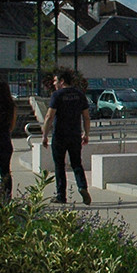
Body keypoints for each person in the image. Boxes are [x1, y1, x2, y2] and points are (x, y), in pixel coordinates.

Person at [41, 69, 90, 205]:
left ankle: (61, 195)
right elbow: (86, 117)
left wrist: (44, 135)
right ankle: (82, 187)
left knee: (59, 165)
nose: (54, 83)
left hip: (60, 135)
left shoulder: (57, 95)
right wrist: (86, 133)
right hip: (75, 134)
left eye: (56, 80)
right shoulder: (80, 95)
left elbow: (49, 116)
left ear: (62, 81)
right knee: (76, 163)